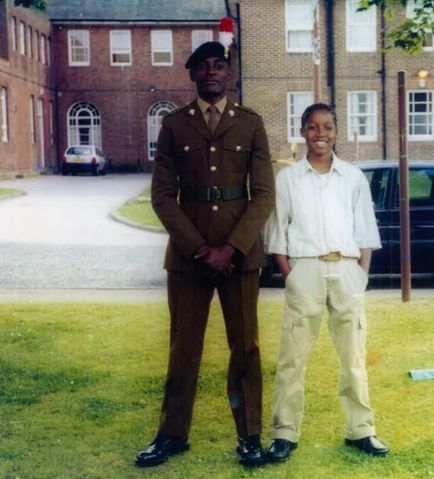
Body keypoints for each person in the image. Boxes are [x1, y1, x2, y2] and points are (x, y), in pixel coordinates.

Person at [135, 41, 274, 468]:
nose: (212, 72)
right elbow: (162, 196)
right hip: (188, 257)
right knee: (183, 348)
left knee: (245, 348)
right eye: (203, 67)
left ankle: (249, 436)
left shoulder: (250, 123)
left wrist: (231, 247)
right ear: (192, 74)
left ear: (228, 73)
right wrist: (200, 248)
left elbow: (265, 194)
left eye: (219, 65)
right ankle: (172, 434)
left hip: (240, 256)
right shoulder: (175, 125)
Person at [263, 103, 389, 462]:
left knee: (353, 357)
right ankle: (284, 433)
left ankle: (361, 430)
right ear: (302, 132)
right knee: (293, 357)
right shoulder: (288, 179)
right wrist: (292, 276)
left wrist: (360, 274)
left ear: (337, 132)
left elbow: (365, 231)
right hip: (305, 271)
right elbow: (277, 235)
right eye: (314, 127)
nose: (321, 134)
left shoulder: (352, 177)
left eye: (328, 127)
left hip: (346, 270)